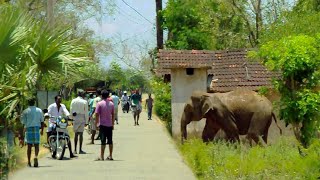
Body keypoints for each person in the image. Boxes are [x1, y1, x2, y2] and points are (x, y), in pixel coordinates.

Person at [20, 98, 44, 167]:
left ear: (28, 103)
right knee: (37, 145)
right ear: (34, 102)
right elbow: (42, 121)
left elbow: (23, 122)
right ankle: (36, 156)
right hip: (36, 129)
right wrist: (42, 130)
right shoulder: (39, 110)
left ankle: (28, 162)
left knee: (29, 146)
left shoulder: (25, 111)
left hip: (29, 129)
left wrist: (22, 132)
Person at [95, 90, 115, 161]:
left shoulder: (99, 104)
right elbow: (113, 114)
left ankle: (102, 156)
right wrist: (113, 124)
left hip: (102, 125)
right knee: (110, 141)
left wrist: (97, 124)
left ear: (101, 95)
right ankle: (110, 155)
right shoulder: (111, 104)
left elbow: (97, 114)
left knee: (103, 141)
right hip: (109, 125)